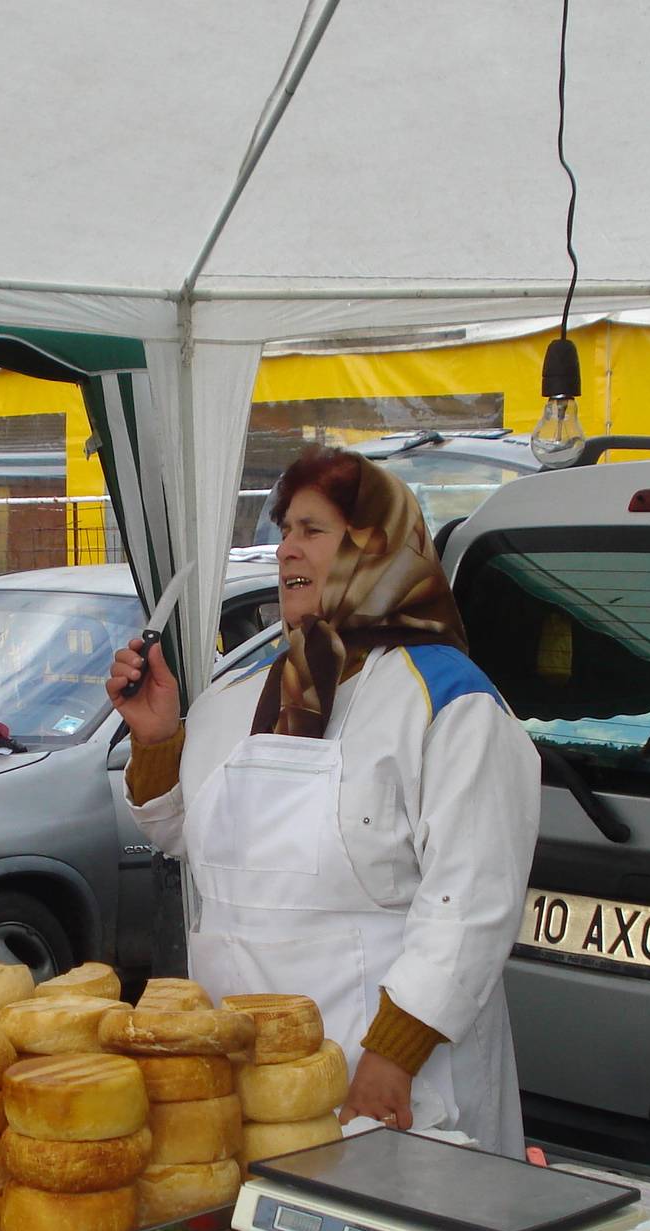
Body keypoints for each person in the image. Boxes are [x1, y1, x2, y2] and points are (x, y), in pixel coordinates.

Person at [108, 447, 540, 1149]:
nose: (286, 550)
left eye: (312, 529)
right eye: (283, 530)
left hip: (390, 1087)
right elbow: (187, 838)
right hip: (247, 1083)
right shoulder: (239, 695)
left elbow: (473, 901)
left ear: (377, 546)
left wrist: (394, 1055)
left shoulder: (449, 702)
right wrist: (158, 738)